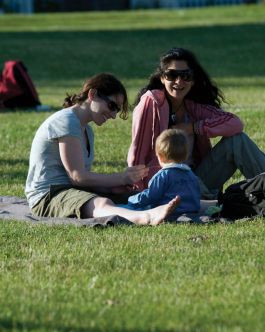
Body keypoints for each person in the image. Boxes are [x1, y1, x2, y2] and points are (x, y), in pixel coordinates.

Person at [25, 73, 180, 226]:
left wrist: (114, 187)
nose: (113, 115)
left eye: (116, 110)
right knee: (101, 202)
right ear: (92, 94)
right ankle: (146, 217)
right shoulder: (66, 121)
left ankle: (192, 205)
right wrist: (121, 178)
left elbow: (82, 182)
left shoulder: (86, 130)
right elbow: (77, 177)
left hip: (71, 191)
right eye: (112, 106)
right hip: (47, 196)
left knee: (136, 197)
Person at [127, 47, 265, 199]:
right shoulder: (151, 102)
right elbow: (137, 154)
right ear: (162, 77)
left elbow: (235, 123)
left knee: (237, 141)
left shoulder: (193, 107)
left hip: (194, 180)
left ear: (192, 80)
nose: (179, 81)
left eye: (185, 75)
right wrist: (140, 194)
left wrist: (194, 127)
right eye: (172, 75)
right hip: (163, 185)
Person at [122, 128, 200, 216]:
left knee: (125, 208)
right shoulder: (191, 175)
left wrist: (132, 199)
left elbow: (151, 196)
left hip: (169, 213)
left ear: (160, 156)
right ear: (185, 155)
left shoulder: (163, 175)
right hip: (192, 211)